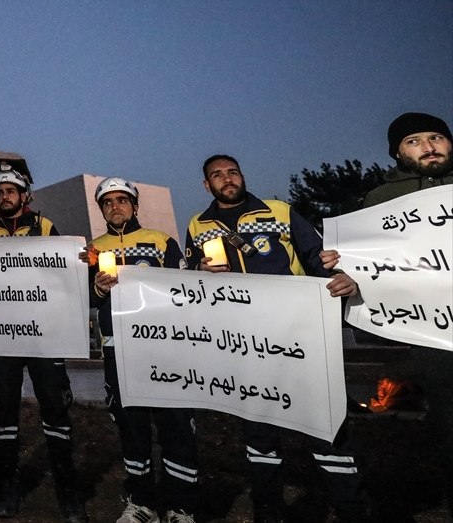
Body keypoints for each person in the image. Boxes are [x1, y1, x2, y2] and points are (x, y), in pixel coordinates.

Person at [185, 155, 368, 523]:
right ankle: (267, 511)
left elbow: (318, 258)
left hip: (298, 336)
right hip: (244, 345)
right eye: (217, 175)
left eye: (232, 172)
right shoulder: (197, 224)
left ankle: (351, 510)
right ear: (207, 186)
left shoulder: (279, 211)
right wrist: (198, 270)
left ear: (242, 175)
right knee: (259, 434)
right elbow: (190, 278)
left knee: (326, 429)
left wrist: (345, 278)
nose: (227, 179)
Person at [0, 166, 86, 521]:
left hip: (43, 335)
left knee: (55, 410)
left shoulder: (45, 226)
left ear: (25, 195)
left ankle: (70, 497)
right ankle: (7, 491)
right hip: (3, 336)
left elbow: (61, 273)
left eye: (12, 191)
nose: (5, 196)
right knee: (4, 412)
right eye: (0, 192)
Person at [86, 178, 198, 523]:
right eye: (107, 202)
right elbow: (83, 300)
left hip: (163, 349)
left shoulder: (161, 241)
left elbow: (186, 289)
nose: (115, 207)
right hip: (119, 352)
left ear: (135, 206)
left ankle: (182, 507)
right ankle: (141, 504)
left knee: (176, 427)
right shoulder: (92, 249)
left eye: (122, 200)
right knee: (131, 429)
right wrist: (98, 291)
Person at [360, 112, 452, 505]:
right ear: (397, 152)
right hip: (432, 337)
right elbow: (367, 264)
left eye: (436, 137)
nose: (429, 146)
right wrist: (350, 275)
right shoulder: (381, 201)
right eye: (414, 141)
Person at [362, 112, 453, 207]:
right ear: (397, 153)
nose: (429, 148)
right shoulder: (379, 199)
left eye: (435, 138)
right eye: (412, 141)